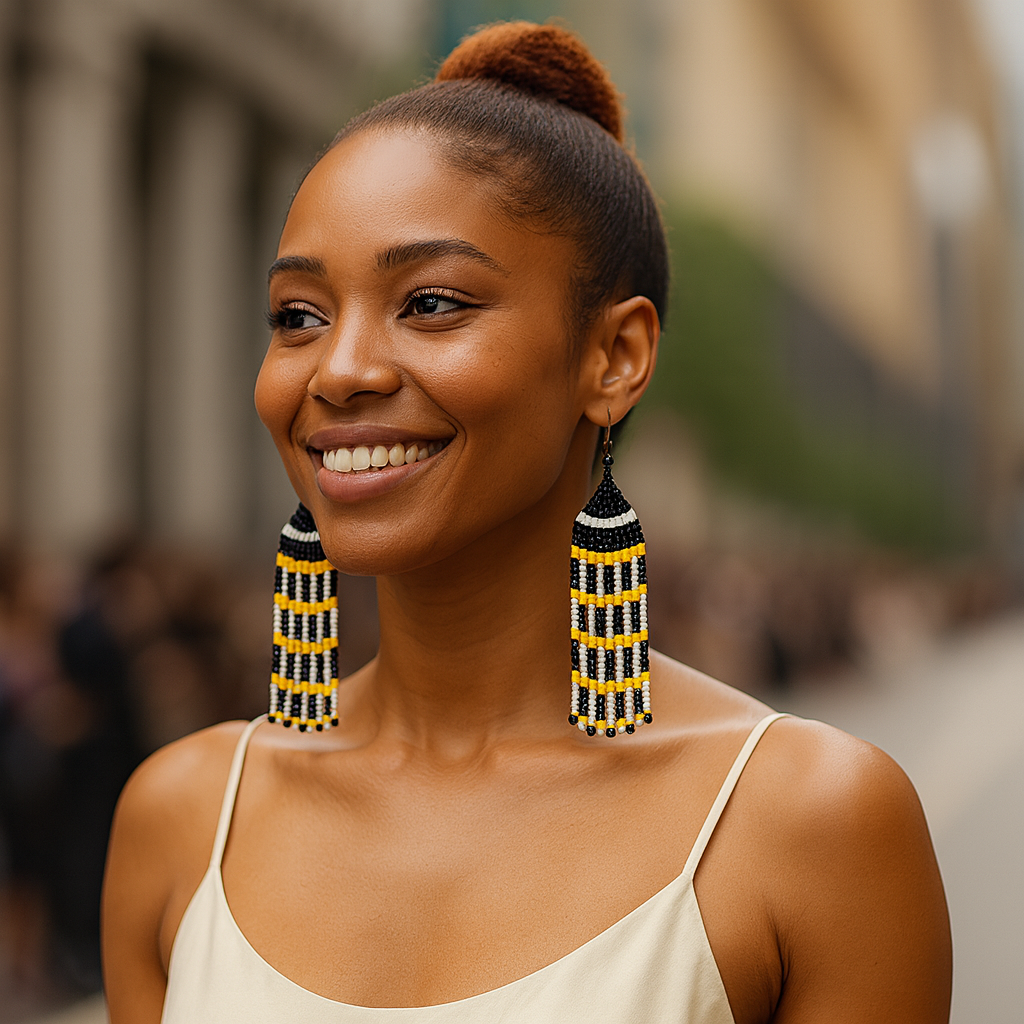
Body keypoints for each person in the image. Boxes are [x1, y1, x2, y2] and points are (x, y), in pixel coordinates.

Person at [101, 22, 952, 1024]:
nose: (338, 370)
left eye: (429, 302)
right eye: (298, 315)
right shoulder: (186, 816)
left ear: (615, 357)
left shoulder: (810, 822)